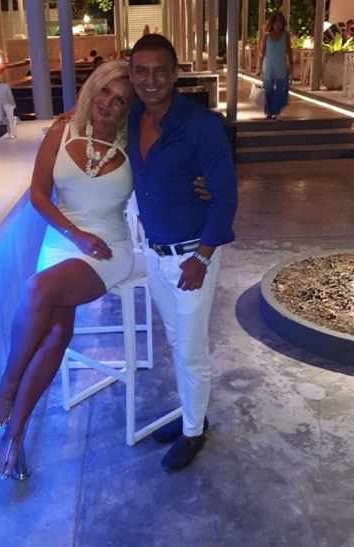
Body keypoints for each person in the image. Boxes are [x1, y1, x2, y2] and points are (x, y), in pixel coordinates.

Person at [0, 61, 136, 480]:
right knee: (54, 333)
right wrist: (73, 234)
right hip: (62, 240)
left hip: (107, 249)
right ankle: (14, 433)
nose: (109, 103)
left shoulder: (133, 141)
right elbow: (38, 194)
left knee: (37, 290)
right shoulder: (62, 130)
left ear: (129, 108)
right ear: (92, 89)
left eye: (121, 100)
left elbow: (165, 178)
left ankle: (7, 387)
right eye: (105, 91)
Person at [127, 34, 237, 470]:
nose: (151, 80)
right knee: (176, 341)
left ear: (175, 73)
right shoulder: (132, 117)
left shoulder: (201, 125)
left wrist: (203, 259)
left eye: (160, 70)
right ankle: (194, 412)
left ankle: (193, 432)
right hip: (155, 254)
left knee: (191, 348)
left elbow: (225, 199)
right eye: (141, 70)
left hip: (192, 256)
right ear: (131, 74)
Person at [256, 12, 293, 120]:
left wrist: (291, 63)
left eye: (280, 23)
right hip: (268, 66)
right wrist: (258, 67)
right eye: (276, 22)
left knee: (281, 89)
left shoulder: (285, 35)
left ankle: (277, 111)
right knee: (268, 90)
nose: (278, 25)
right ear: (272, 23)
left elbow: (289, 49)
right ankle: (269, 111)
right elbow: (262, 52)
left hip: (281, 65)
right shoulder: (266, 35)